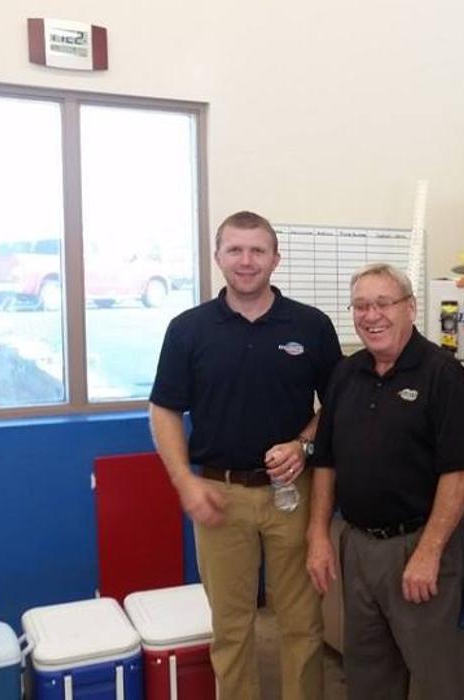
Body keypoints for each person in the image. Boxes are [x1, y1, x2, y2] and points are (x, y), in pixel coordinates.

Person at [149, 210, 342, 700]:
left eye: (258, 250)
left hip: (291, 493)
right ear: (218, 257)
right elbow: (164, 410)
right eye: (235, 249)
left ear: (276, 258)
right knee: (231, 627)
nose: (246, 260)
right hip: (219, 493)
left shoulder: (311, 325)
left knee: (301, 623)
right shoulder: (188, 329)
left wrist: (303, 444)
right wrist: (185, 482)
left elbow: (337, 405)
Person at [305, 263, 464, 699]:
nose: (372, 316)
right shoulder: (346, 374)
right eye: (361, 306)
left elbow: (460, 471)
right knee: (367, 677)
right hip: (357, 546)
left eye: (383, 303)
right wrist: (319, 535)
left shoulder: (443, 375)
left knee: (439, 679)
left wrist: (429, 552)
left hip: (418, 545)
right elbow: (325, 461)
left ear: (411, 308)